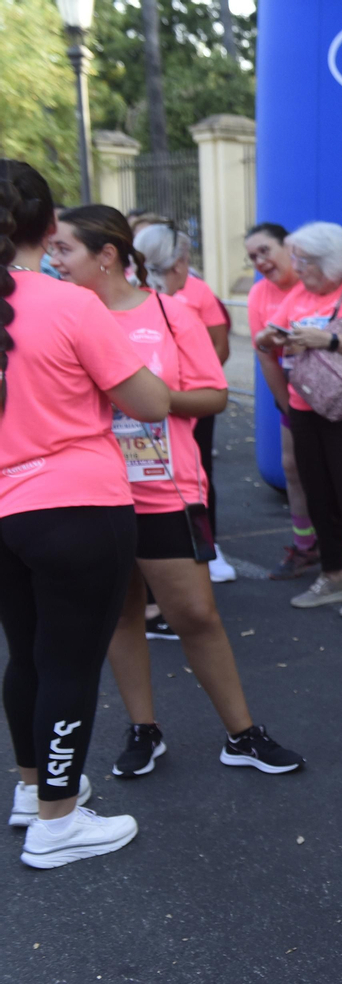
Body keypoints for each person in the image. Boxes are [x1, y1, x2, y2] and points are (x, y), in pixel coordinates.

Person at [51, 205, 305, 779]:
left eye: (65, 249)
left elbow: (214, 396)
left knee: (195, 613)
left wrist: (147, 394)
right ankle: (144, 729)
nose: (53, 260)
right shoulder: (65, 316)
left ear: (107, 255)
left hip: (164, 488)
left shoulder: (168, 312)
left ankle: (242, 734)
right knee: (120, 613)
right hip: (92, 488)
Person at [1, 162, 170, 866]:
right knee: (69, 664)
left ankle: (35, 788)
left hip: (7, 511)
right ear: (48, 228)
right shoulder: (69, 304)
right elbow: (151, 403)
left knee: (29, 655)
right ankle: (58, 821)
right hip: (77, 505)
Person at [255, 221, 342, 618]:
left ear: (327, 262)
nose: (296, 266)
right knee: (319, 495)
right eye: (296, 257)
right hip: (304, 406)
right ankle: (331, 576)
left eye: (303, 260)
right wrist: (271, 339)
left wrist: (327, 339)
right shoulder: (300, 291)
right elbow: (271, 331)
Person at [133, 222, 238, 583]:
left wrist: (180, 392)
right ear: (178, 263)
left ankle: (206, 547)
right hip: (144, 435)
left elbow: (217, 356)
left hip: (181, 415)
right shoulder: (130, 303)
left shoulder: (192, 297)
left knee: (196, 477)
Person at [245, 221, 319, 580]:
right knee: (292, 467)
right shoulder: (259, 295)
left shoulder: (317, 284)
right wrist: (285, 404)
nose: (259, 260)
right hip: (292, 394)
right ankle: (305, 545)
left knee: (336, 474)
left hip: (331, 397)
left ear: (287, 250)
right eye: (252, 256)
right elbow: (265, 356)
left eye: (264, 251)